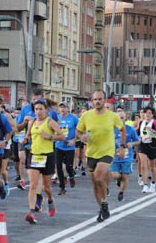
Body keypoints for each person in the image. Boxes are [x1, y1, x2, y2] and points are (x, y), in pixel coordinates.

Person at [76, 90, 126, 223]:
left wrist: (122, 146)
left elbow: (122, 130)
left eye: (100, 99)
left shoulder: (112, 116)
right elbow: (78, 131)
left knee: (99, 177)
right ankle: (102, 207)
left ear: (104, 100)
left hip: (107, 151)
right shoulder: (86, 116)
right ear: (92, 101)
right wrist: (82, 137)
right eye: (95, 99)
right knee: (95, 185)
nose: (97, 101)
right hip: (91, 153)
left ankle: (104, 203)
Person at [22, 99, 64, 224]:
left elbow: (62, 136)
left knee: (46, 187)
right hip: (34, 155)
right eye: (36, 109)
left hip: (48, 156)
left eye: (41, 109)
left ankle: (50, 199)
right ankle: (31, 211)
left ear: (46, 110)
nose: (38, 111)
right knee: (33, 185)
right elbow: (28, 135)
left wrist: (50, 136)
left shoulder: (50, 122)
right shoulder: (32, 122)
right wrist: (25, 140)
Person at [110, 108, 140, 202]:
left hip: (127, 157)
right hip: (114, 157)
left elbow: (138, 140)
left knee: (125, 176)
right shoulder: (111, 129)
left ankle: (121, 193)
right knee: (116, 175)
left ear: (125, 118)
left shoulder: (130, 129)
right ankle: (118, 180)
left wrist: (132, 144)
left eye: (122, 117)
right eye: (118, 118)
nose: (120, 119)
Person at [135, 107, 156, 193]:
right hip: (143, 145)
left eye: (149, 113)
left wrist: (152, 130)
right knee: (143, 166)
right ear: (143, 114)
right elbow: (138, 134)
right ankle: (145, 185)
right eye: (146, 113)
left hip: (152, 145)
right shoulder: (141, 123)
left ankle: (153, 184)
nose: (147, 115)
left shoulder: (155, 123)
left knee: (152, 167)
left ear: (152, 115)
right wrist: (138, 137)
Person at [54, 102, 79, 194]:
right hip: (59, 145)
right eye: (60, 107)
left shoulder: (74, 119)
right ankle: (62, 187)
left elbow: (80, 131)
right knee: (58, 166)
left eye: (64, 107)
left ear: (68, 109)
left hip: (69, 146)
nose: (62, 109)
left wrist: (74, 140)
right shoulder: (56, 118)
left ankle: (71, 177)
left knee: (69, 167)